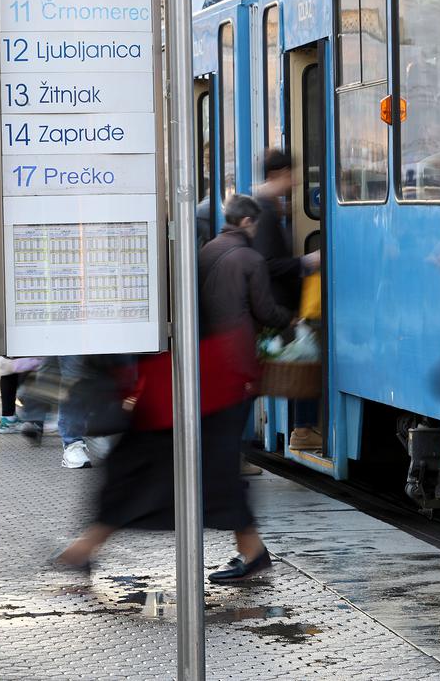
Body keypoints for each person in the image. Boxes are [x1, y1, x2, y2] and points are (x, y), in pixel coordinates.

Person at [57, 195, 294, 582]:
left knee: (168, 472)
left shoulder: (162, 260)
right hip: (190, 380)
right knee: (181, 471)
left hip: (193, 383)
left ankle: (85, 549)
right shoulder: (170, 254)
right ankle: (85, 549)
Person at [253, 148, 321, 451]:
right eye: (290, 175)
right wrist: (306, 262)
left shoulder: (267, 208)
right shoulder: (265, 212)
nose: (294, 181)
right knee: (305, 358)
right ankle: (303, 430)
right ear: (275, 175)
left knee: (296, 362)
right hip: (280, 306)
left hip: (279, 304)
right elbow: (266, 263)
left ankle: (302, 430)